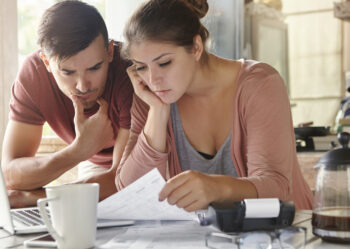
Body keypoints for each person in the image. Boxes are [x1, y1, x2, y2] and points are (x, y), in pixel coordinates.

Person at [115, 0, 313, 211]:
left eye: (164, 63)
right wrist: (157, 112)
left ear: (196, 48)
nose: (153, 80)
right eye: (141, 67)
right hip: (212, 240)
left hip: (288, 234)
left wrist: (216, 189)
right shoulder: (149, 97)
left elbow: (276, 187)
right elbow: (129, 192)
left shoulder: (260, 85)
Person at [1, 0, 133, 207]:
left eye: (95, 68)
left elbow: (123, 180)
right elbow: (11, 174)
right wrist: (79, 151)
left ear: (109, 52)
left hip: (141, 168)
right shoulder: (33, 75)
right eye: (68, 72)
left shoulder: (130, 71)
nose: (82, 86)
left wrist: (37, 199)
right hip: (91, 162)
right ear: (46, 62)